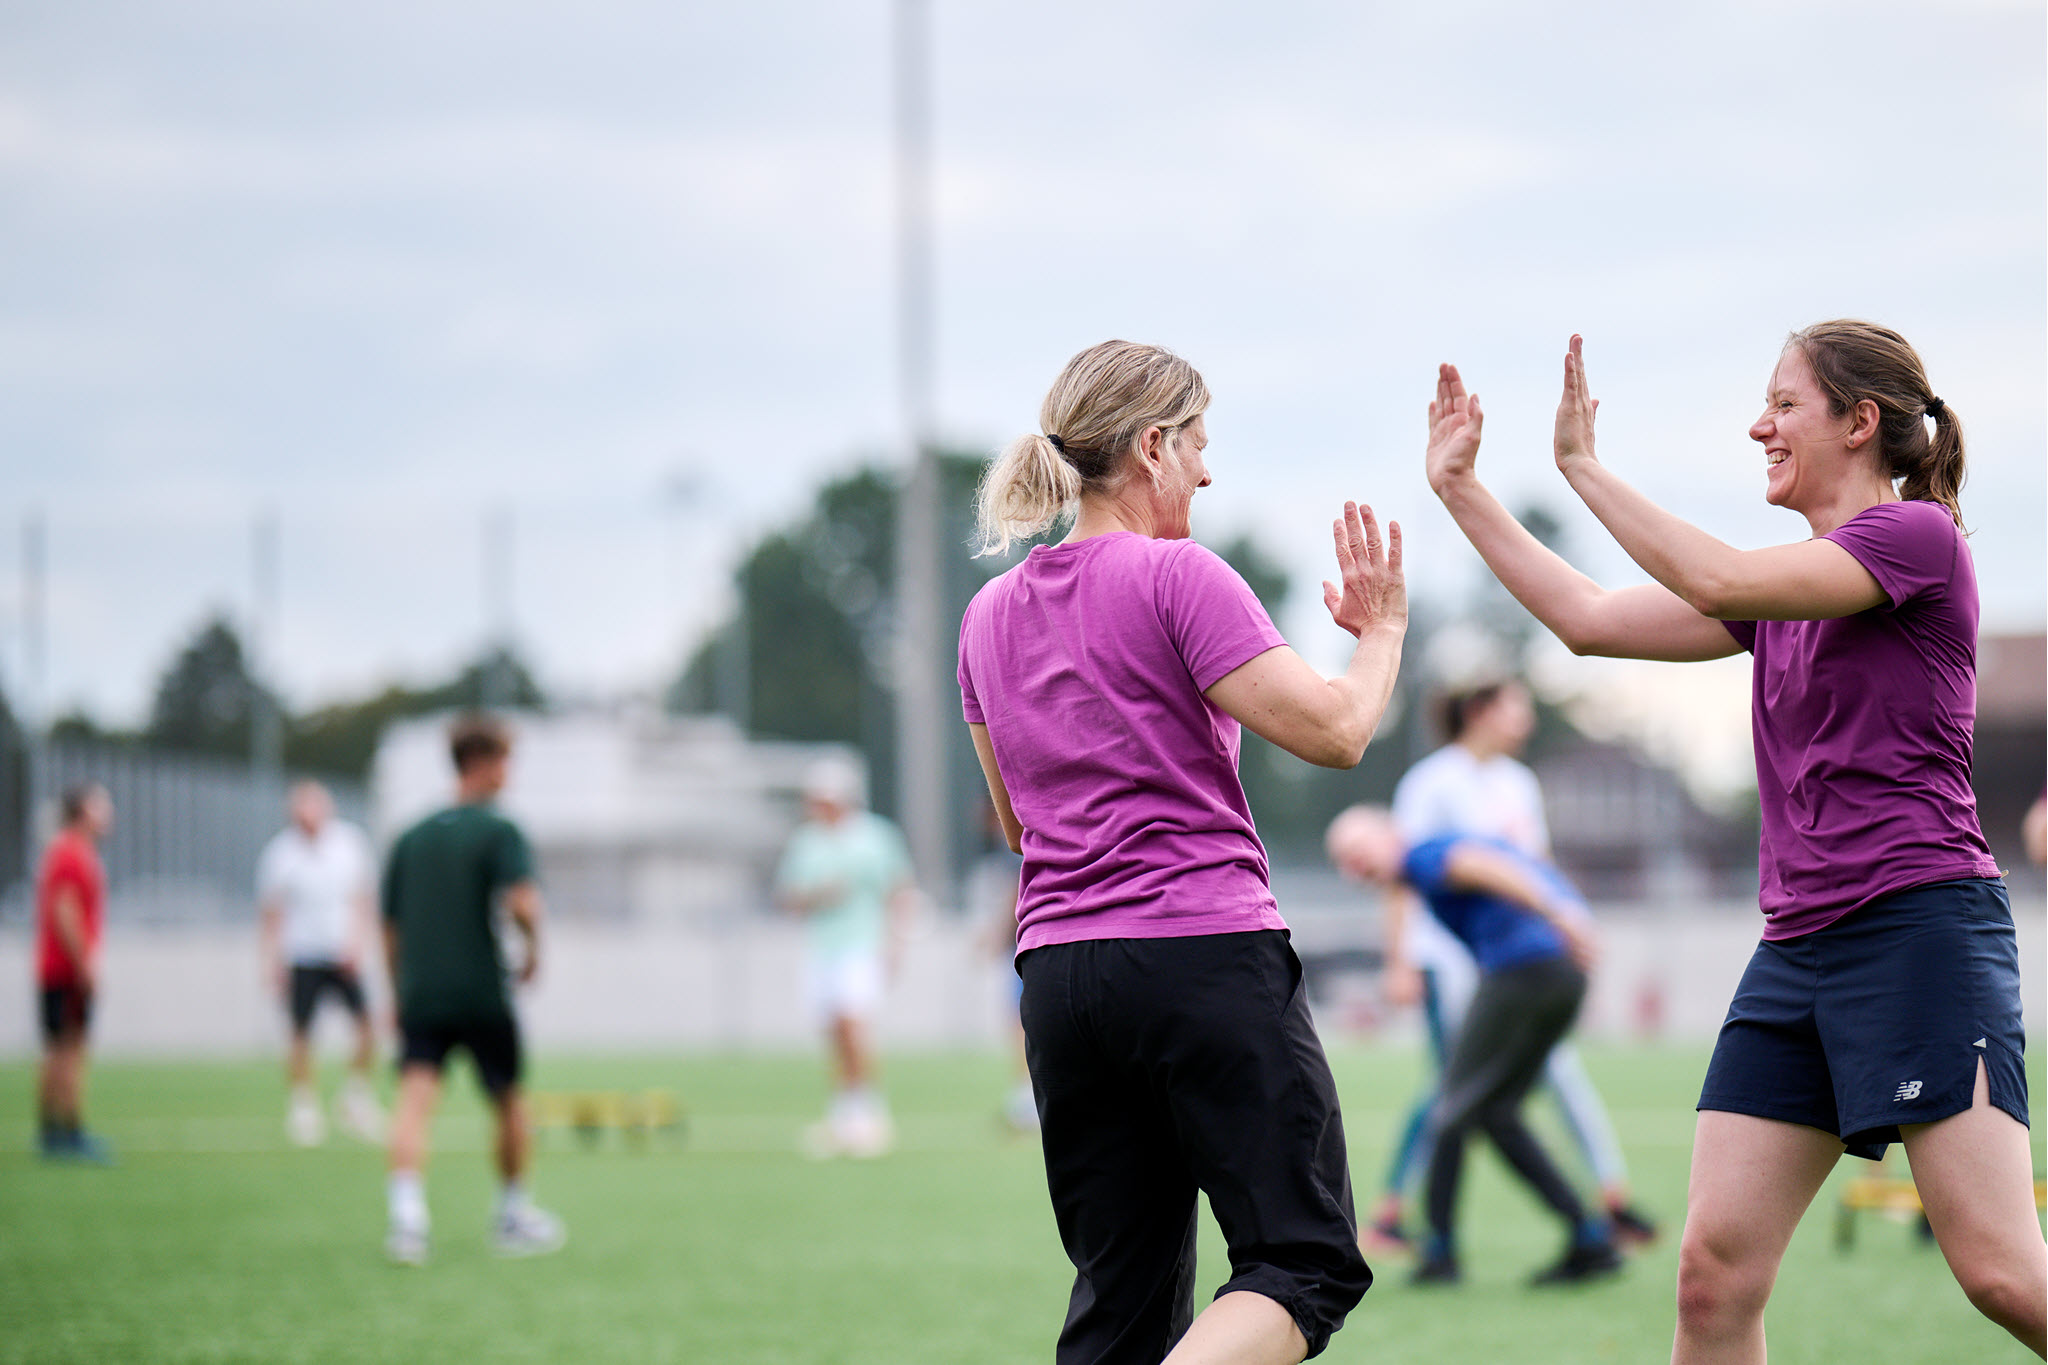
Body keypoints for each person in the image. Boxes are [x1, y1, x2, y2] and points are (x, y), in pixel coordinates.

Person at [1425, 327, 2043, 1358]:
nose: (1760, 426)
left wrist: (1581, 467)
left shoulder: (1916, 538)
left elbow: (1716, 579)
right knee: (1712, 1278)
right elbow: (1587, 619)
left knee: (1999, 1273)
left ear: (1860, 422)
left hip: (1918, 934)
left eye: (1784, 405)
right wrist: (1461, 490)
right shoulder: (1778, 596)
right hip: (1795, 952)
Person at [958, 339, 1398, 1364]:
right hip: (1199, 956)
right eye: (1198, 443)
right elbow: (1336, 732)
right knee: (1303, 1263)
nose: (1206, 470)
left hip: (1059, 981)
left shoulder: (984, 616)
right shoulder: (1179, 576)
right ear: (1152, 446)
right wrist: (1380, 631)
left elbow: (1019, 826)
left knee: (1120, 1303)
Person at [1367, 679, 1657, 1251]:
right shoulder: (1432, 781)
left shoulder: (1518, 783)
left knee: (1483, 1094)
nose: (1526, 719)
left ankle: (1603, 1206)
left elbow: (1521, 865)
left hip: (1521, 959)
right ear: (1480, 712)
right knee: (1462, 1093)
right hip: (1456, 960)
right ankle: (1399, 1213)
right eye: (1516, 708)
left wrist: (1571, 923)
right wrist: (1400, 960)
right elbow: (1406, 871)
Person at [1327, 807, 1623, 1285]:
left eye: (1356, 854)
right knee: (1496, 1113)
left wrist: (1560, 916)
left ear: (1390, 834)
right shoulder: (1423, 865)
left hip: (1522, 972)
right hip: (1560, 976)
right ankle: (1589, 1238)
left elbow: (1482, 866)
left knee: (1450, 1109)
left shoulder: (1423, 855)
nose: (1352, 871)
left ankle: (1439, 1254)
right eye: (1342, 863)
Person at [380, 714, 562, 1265]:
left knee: (415, 1101)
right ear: (483, 762)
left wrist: (398, 990)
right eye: (506, 762)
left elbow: (390, 929)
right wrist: (533, 950)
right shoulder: (499, 830)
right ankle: (512, 1215)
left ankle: (407, 1222)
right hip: (482, 991)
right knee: (508, 1101)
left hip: (423, 993)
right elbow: (522, 901)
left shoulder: (410, 837)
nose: (510, 774)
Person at [775, 756, 916, 1159]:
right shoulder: (807, 842)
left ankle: (869, 1114)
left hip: (862, 944)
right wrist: (818, 895)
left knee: (854, 1025)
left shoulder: (876, 837)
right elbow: (789, 898)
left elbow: (898, 891)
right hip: (822, 947)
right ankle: (844, 1115)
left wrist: (896, 944)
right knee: (834, 1032)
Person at [258, 780, 384, 1146]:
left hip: (343, 952)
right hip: (301, 954)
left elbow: (362, 898)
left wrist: (358, 944)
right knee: (301, 1031)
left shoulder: (350, 843)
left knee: (366, 1025)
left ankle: (356, 1096)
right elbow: (271, 912)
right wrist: (272, 961)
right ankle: (304, 1106)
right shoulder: (279, 853)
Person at [34, 782, 114, 1163]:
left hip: (59, 969)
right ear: (82, 812)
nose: (108, 812)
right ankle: (68, 1131)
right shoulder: (70, 853)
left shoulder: (71, 850)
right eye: (100, 805)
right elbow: (65, 911)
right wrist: (85, 966)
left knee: (58, 1049)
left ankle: (52, 1131)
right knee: (69, 1049)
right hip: (66, 971)